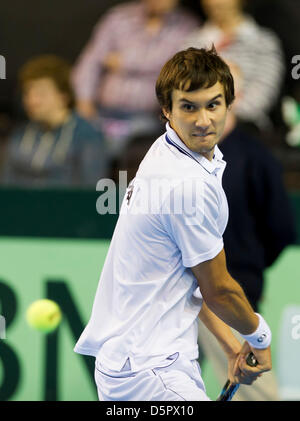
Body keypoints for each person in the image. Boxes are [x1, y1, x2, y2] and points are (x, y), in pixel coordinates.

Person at [74, 47, 272, 401]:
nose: (202, 120)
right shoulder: (187, 185)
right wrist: (259, 336)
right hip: (153, 372)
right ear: (167, 110)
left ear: (230, 103)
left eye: (213, 105)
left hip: (128, 366)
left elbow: (190, 277)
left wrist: (230, 346)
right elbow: (218, 289)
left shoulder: (167, 148)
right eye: (188, 107)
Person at [196, 63, 296, 400]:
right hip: (174, 292)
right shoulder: (169, 156)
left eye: (215, 100)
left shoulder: (256, 157)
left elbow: (280, 228)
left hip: (234, 289)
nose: (204, 113)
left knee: (253, 390)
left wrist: (245, 272)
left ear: (231, 99)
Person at [72, 0, 200, 157]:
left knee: (121, 151)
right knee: (82, 143)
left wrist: (124, 61)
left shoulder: (188, 26)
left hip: (150, 118)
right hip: (102, 112)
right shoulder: (118, 18)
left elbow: (177, 70)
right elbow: (90, 62)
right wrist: (84, 101)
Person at [1, 55, 108, 187]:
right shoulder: (19, 135)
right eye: (28, 93)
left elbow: (90, 191)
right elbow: (6, 186)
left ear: (64, 96)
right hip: (19, 206)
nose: (32, 101)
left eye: (41, 93)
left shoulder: (88, 136)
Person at [183, 0, 284, 131]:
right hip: (196, 126)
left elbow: (262, 96)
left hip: (246, 129)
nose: (215, 3)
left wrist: (219, 114)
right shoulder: (192, 42)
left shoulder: (263, 41)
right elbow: (182, 90)